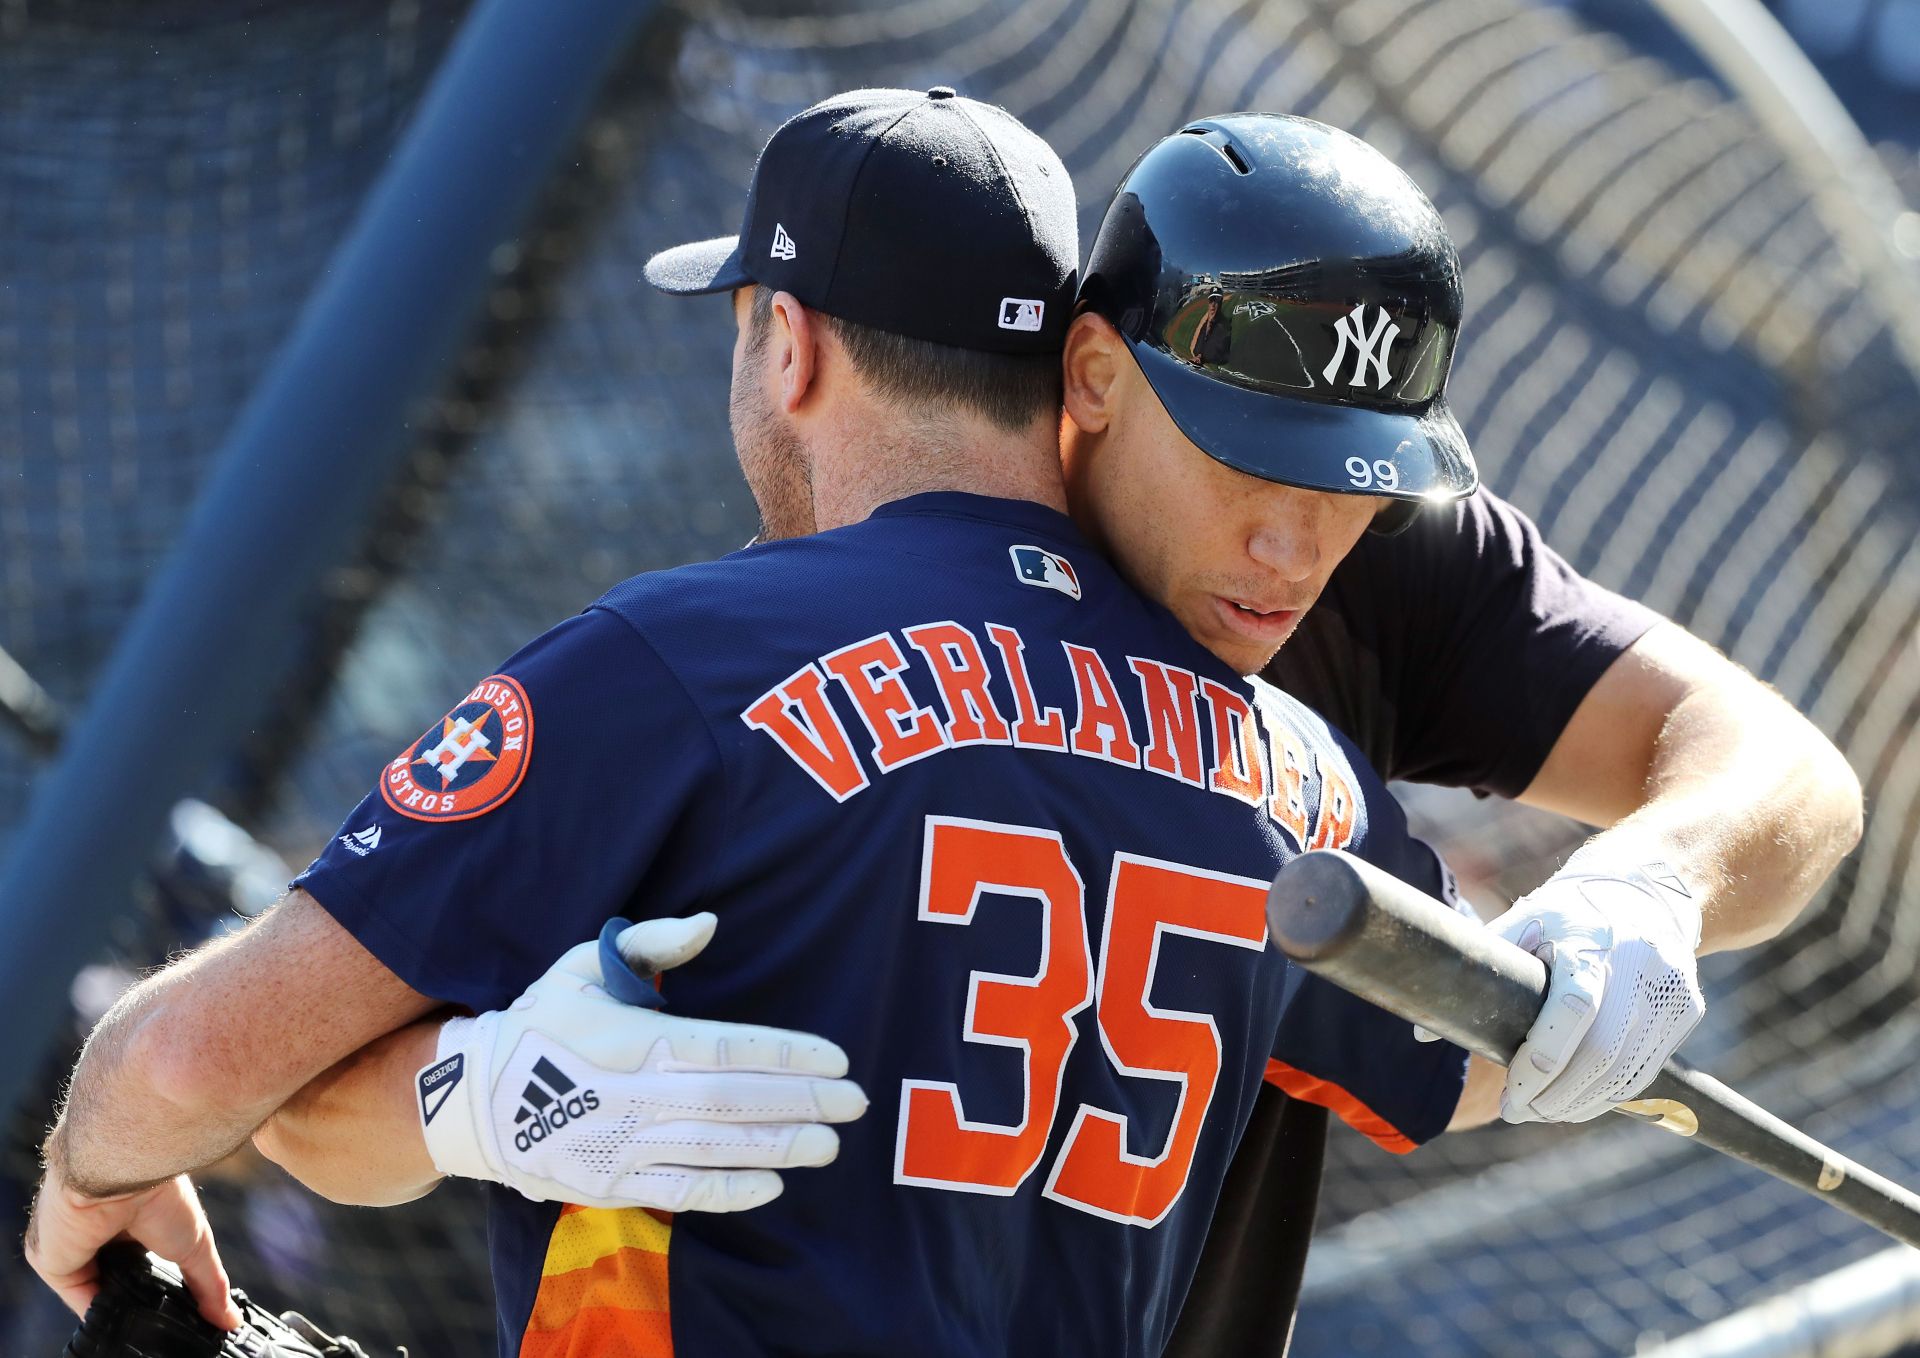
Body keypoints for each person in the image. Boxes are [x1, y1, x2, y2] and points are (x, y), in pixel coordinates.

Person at [25, 92, 1483, 1358]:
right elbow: (1474, 1056)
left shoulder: (675, 664)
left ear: (786, 343)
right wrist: (466, 1098)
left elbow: (189, 1070)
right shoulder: (1297, 774)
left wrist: (89, 1184)